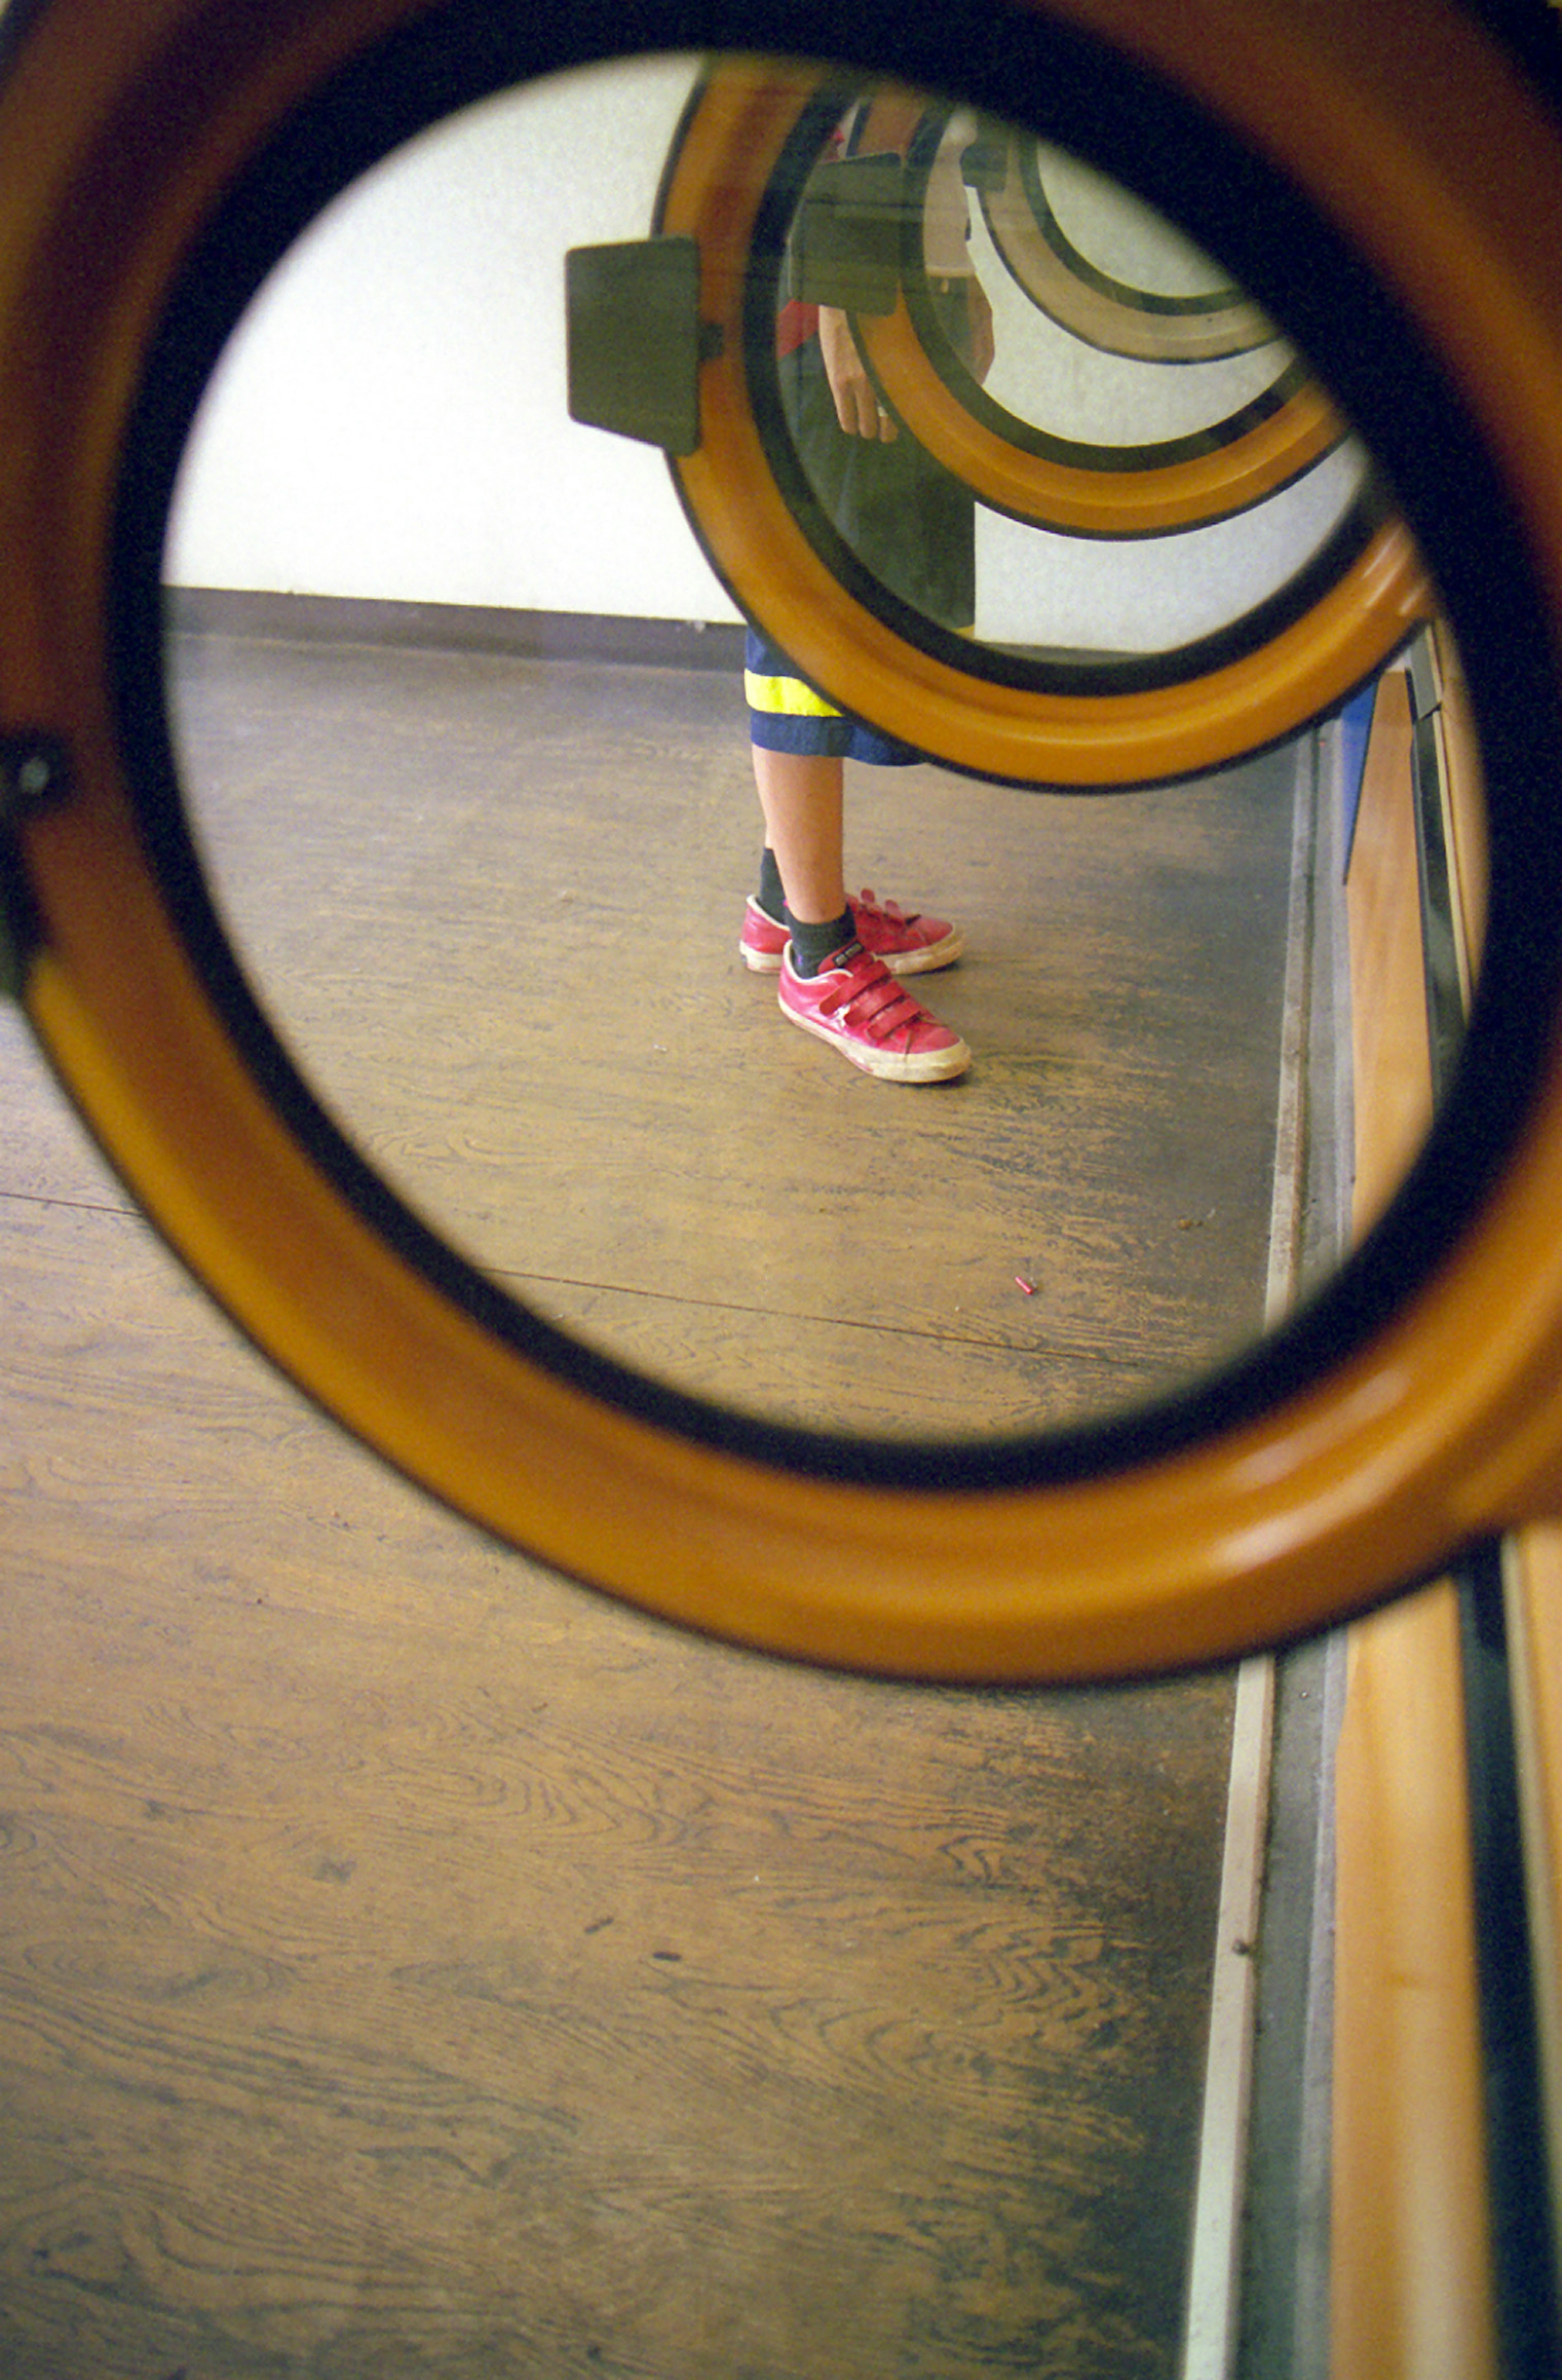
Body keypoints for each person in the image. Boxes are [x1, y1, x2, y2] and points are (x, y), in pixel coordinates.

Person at [737, 119, 994, 1085]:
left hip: (895, 282)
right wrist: (842, 301)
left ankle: (788, 896)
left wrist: (957, 263)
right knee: (808, 629)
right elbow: (804, 87)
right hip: (822, 297)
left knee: (867, 610)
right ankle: (816, 951)